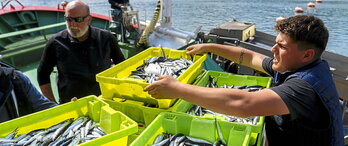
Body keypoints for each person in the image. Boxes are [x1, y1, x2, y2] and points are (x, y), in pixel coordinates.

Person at [144, 15, 344, 145]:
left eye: (281, 46)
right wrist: (209, 47)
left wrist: (177, 88)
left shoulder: (304, 87)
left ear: (307, 55)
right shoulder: (296, 64)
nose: (273, 50)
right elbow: (249, 57)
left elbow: (244, 105)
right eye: (275, 43)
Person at [37, 0, 125, 104]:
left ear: (89, 19)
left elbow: (122, 66)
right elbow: (42, 74)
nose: (73, 24)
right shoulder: (55, 42)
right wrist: (52, 104)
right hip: (71, 105)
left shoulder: (106, 38)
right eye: (69, 19)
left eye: (78, 19)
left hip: (104, 101)